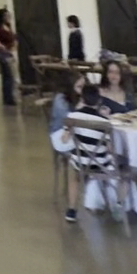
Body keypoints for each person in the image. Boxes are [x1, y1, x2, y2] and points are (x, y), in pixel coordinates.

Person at [49, 71, 90, 222]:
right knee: (89, 145)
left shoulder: (81, 97)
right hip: (60, 134)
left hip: (76, 132)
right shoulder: (60, 99)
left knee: (90, 142)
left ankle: (91, 190)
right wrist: (80, 108)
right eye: (79, 87)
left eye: (84, 87)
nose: (82, 90)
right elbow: (68, 119)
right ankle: (87, 175)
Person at [0, 8, 19, 107]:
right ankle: (9, 98)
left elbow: (13, 36)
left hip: (9, 52)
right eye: (6, 16)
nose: (8, 18)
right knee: (8, 74)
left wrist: (14, 44)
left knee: (9, 75)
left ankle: (8, 97)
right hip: (0, 53)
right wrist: (0, 45)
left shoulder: (8, 26)